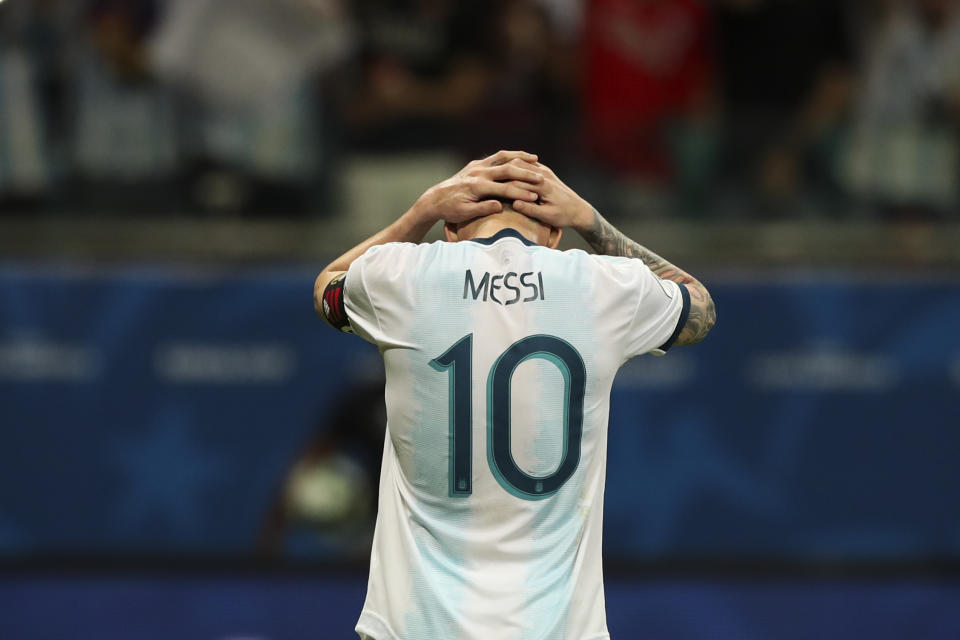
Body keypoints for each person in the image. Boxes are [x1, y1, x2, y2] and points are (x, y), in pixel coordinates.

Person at [313, 149, 715, 640]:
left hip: (414, 626)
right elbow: (699, 305)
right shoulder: (606, 285)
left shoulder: (398, 276)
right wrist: (591, 219)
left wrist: (421, 210)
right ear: (553, 232)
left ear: (452, 228)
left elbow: (326, 286)